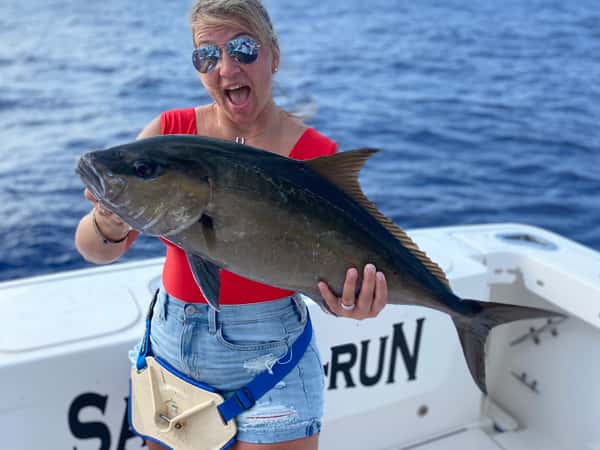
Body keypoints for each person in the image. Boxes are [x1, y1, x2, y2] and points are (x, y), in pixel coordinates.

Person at [75, 1, 387, 448]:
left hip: (273, 359)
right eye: (207, 55)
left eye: (243, 48)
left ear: (274, 56)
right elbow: (93, 249)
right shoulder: (168, 135)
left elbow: (341, 268)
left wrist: (355, 304)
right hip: (172, 348)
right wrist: (108, 221)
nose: (226, 67)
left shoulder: (315, 153)